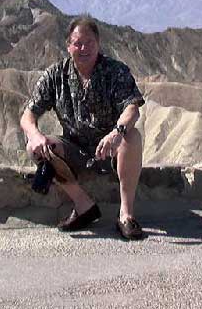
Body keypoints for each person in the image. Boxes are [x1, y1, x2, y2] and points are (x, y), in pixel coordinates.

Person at [20, 16, 145, 240]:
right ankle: (83, 205)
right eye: (78, 43)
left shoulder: (115, 72)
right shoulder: (55, 75)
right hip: (74, 150)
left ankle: (126, 215)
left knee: (132, 136)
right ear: (68, 46)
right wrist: (35, 135)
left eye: (89, 43)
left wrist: (116, 133)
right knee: (34, 147)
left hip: (110, 150)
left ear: (98, 44)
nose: (84, 48)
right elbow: (28, 115)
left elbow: (132, 109)